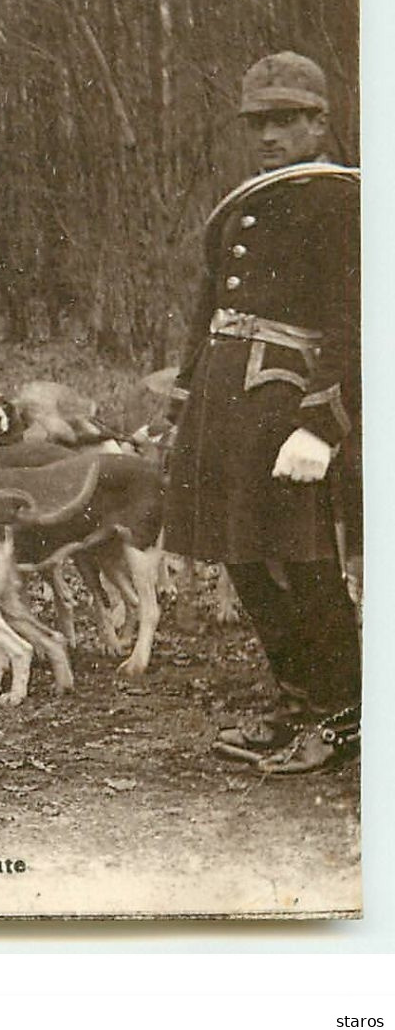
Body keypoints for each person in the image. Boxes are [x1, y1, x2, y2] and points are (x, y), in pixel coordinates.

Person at [164, 51, 361, 774]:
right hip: (225, 405)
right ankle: (294, 703)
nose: (269, 135)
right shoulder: (242, 202)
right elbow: (204, 313)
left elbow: (358, 321)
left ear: (319, 120)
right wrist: (182, 403)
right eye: (258, 122)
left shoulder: (344, 198)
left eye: (285, 120)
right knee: (243, 557)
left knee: (301, 566)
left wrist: (321, 423)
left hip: (286, 407)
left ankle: (341, 716)